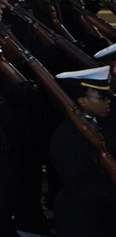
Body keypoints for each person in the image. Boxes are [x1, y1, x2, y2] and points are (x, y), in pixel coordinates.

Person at [49, 67, 116, 237]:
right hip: (83, 221)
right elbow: (80, 188)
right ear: (82, 101)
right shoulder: (67, 138)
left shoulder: (100, 126)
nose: (109, 102)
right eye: (102, 98)